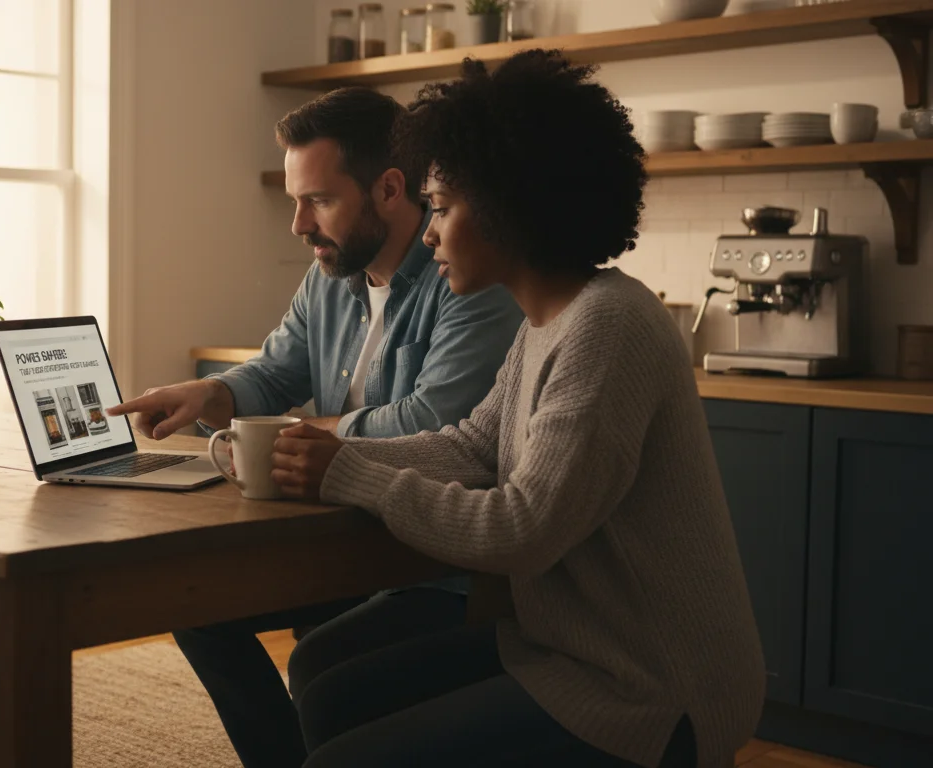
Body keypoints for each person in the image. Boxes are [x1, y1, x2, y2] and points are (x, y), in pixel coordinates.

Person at [269, 51, 767, 768]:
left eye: (440, 207)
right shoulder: (549, 323)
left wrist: (353, 475)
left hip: (647, 689)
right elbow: (473, 447)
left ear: (509, 205)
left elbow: (524, 528)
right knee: (326, 694)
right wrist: (335, 459)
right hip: (568, 652)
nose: (429, 232)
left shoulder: (610, 326)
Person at [107, 86, 524, 768]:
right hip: (339, 545)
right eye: (297, 201)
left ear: (390, 188)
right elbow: (273, 375)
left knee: (323, 674)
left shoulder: (469, 279)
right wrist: (206, 392)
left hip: (435, 567)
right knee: (194, 607)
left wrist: (307, 435)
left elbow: (435, 423)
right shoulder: (330, 275)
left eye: (319, 200)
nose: (298, 224)